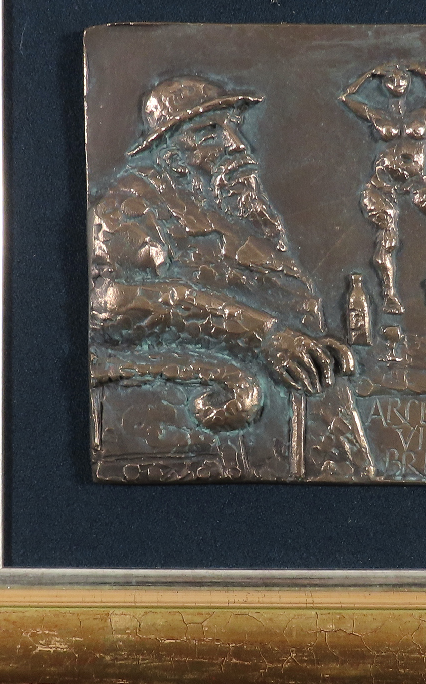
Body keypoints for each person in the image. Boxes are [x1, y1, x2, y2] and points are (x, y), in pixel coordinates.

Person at [89, 77, 355, 437]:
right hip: (196, 424)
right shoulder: (128, 207)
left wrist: (312, 348)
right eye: (212, 131)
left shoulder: (228, 208)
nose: (238, 144)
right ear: (173, 157)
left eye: (234, 127)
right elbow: (111, 304)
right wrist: (264, 336)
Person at [339, 62, 426, 314]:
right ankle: (389, 295)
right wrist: (367, 74)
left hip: (416, 183)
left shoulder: (422, 114)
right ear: (383, 84)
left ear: (409, 80)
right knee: (388, 236)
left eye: (402, 76)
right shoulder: (377, 115)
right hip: (382, 186)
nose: (397, 81)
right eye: (391, 77)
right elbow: (346, 98)